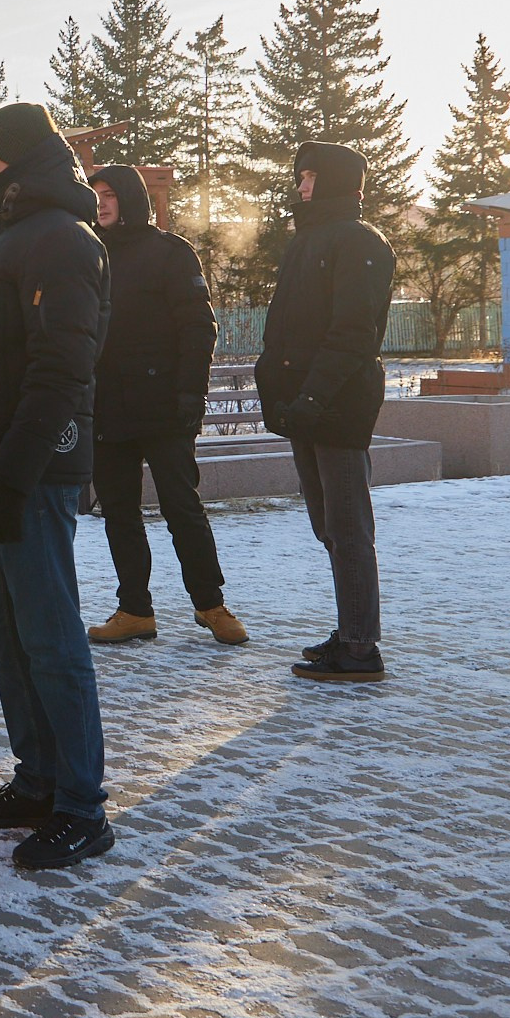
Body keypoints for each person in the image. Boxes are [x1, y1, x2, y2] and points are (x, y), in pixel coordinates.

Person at [0, 104, 116, 873]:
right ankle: (36, 777)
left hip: (37, 467)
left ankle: (82, 803)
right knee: (6, 634)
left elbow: (60, 372)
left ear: (17, 159)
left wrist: (16, 471)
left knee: (51, 636)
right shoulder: (5, 232)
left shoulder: (61, 237)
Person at [82, 164, 240, 647]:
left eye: (111, 194)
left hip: (165, 407)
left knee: (181, 506)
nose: (102, 203)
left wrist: (191, 394)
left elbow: (199, 327)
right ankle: (134, 610)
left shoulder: (169, 253)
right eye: (97, 195)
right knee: (119, 513)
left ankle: (211, 604)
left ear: (131, 199)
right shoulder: (87, 252)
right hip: (107, 407)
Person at [255, 143, 396, 682]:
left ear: (338, 181)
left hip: (337, 405)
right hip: (305, 405)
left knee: (348, 525)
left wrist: (313, 398)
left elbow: (353, 333)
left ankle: (361, 648)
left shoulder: (360, 242)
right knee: (328, 525)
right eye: (300, 175)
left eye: (311, 175)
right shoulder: (309, 239)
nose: (301, 184)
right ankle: (351, 629)